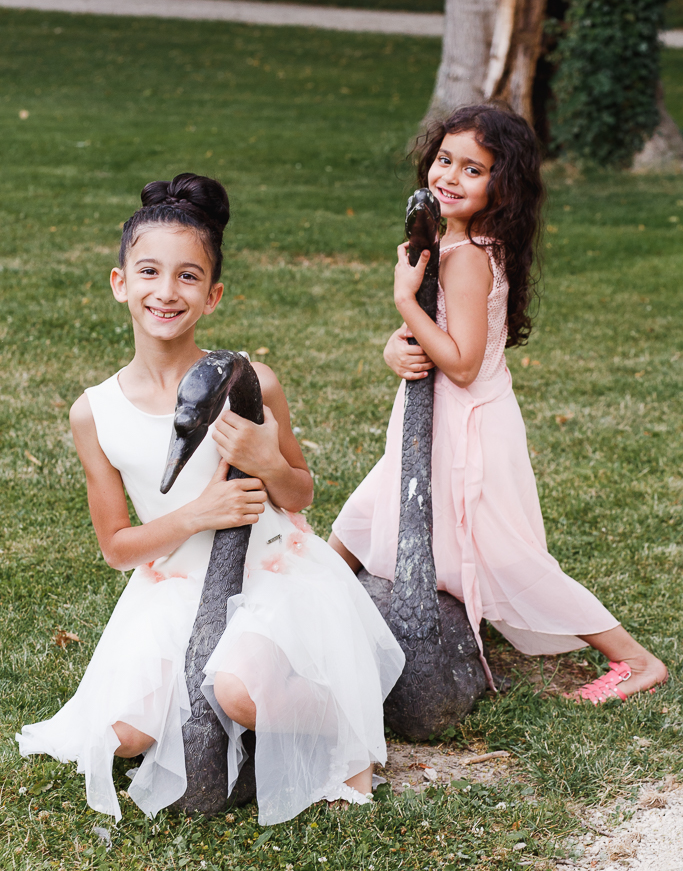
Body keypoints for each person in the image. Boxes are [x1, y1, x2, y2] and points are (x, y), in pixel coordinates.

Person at [16, 173, 404, 825]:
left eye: (188, 277)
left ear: (213, 295)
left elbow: (300, 491)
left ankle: (337, 711)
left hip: (271, 578)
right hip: (172, 587)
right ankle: (245, 725)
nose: (166, 292)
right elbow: (116, 547)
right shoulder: (95, 413)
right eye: (149, 272)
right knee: (124, 738)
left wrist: (262, 459)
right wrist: (197, 514)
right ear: (120, 284)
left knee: (238, 692)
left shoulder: (252, 380)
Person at [329, 103, 668, 705]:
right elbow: (441, 340)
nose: (449, 178)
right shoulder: (456, 242)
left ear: (501, 185)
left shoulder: (468, 257)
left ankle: (636, 659)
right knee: (367, 510)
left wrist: (405, 302)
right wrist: (396, 346)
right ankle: (312, 601)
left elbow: (459, 363)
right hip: (445, 416)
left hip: (468, 427)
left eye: (473, 170)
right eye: (443, 160)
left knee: (503, 553)